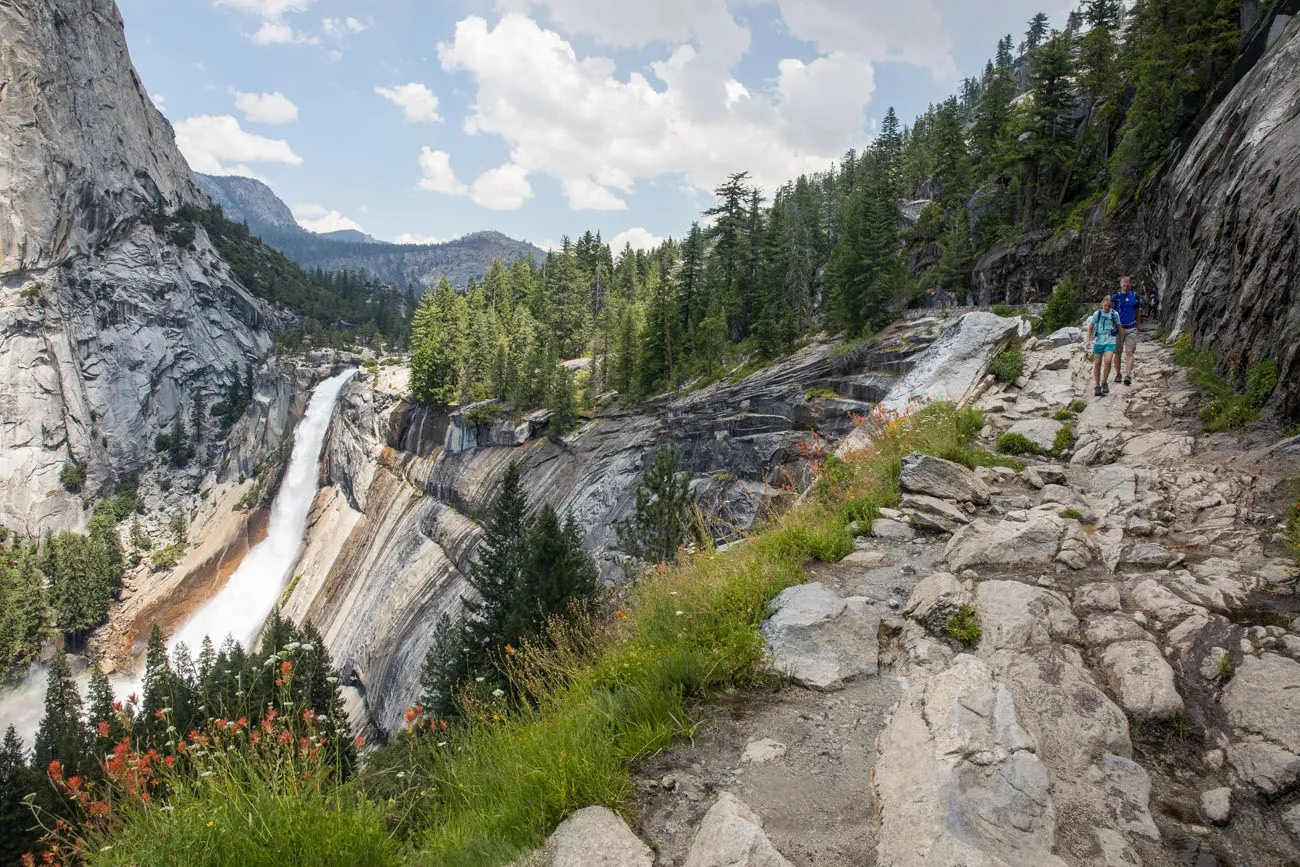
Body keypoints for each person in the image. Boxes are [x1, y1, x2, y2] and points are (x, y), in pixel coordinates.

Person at [1086, 293, 1124, 397]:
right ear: (1102, 304)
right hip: (1099, 341)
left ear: (1112, 305)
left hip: (1110, 340)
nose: (1107, 308)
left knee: (1108, 361)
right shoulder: (1097, 314)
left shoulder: (1114, 314)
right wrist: (1088, 340)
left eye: (1109, 306)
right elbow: (1090, 327)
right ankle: (1097, 386)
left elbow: (1119, 328)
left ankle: (1104, 382)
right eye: (1105, 306)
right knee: (1097, 363)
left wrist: (1120, 341)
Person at [1112, 276, 1141, 385]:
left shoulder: (1135, 296)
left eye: (1127, 285)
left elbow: (1138, 311)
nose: (1125, 287)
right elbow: (1108, 308)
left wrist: (1138, 325)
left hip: (1131, 327)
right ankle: (1118, 374)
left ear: (1130, 284)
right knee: (1118, 352)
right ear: (1120, 285)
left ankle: (1128, 376)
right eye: (1124, 285)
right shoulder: (1116, 297)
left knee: (1129, 352)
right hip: (1119, 328)